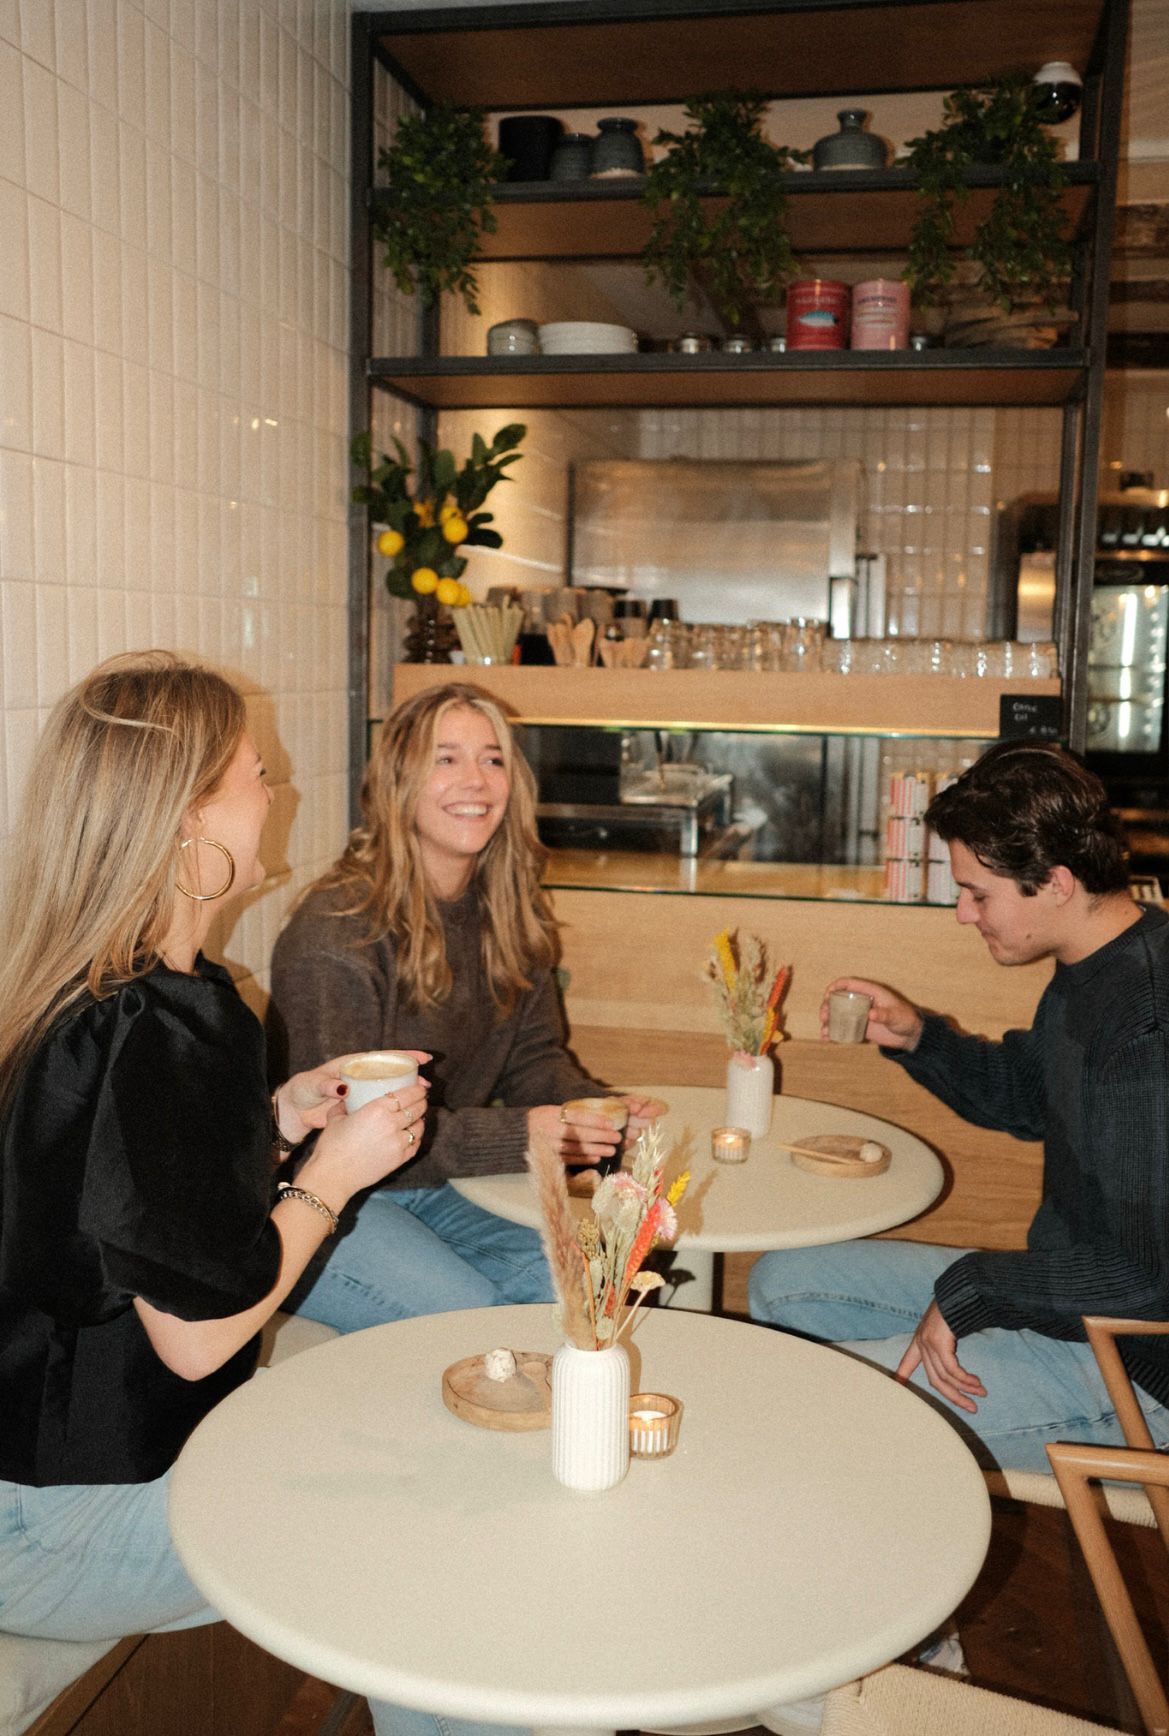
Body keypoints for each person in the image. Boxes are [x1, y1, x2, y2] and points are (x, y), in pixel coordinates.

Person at [0, 652, 444, 1736]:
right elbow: (198, 1340)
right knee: (428, 1534)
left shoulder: (78, 989)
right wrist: (332, 1175)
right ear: (188, 815)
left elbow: (117, 1201)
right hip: (49, 1524)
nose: (275, 788)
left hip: (38, 1485)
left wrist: (277, 1123)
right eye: (255, 771)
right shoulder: (166, 1026)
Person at [750, 739, 1169, 1474]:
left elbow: (1146, 1280)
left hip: (1137, 1366)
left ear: (1056, 883)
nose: (962, 913)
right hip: (1072, 1297)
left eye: (978, 893)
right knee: (780, 1283)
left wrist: (975, 1287)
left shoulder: (1148, 1024)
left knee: (816, 1416)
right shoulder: (1096, 963)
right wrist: (919, 1037)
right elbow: (1032, 1098)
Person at [268, 681, 664, 1331]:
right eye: (446, 758)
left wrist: (594, 1112)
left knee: (601, 1274)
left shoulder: (505, 908)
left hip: (429, 1187)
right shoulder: (336, 934)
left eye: (492, 759)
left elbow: (533, 1059)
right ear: (397, 782)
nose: (475, 780)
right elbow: (347, 1135)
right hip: (314, 1203)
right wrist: (526, 1134)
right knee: (478, 1321)